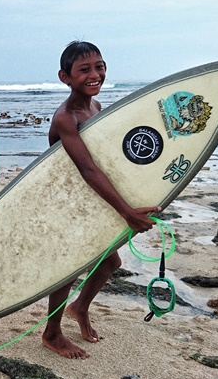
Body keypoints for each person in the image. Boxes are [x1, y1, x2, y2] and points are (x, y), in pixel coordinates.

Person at [41, 41, 161, 359]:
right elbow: (88, 168)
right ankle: (52, 334)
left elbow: (109, 156)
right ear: (64, 77)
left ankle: (79, 307)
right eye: (85, 70)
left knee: (109, 261)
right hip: (65, 200)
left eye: (100, 66)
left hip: (88, 198)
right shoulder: (66, 117)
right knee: (68, 267)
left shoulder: (95, 107)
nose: (95, 74)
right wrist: (126, 211)